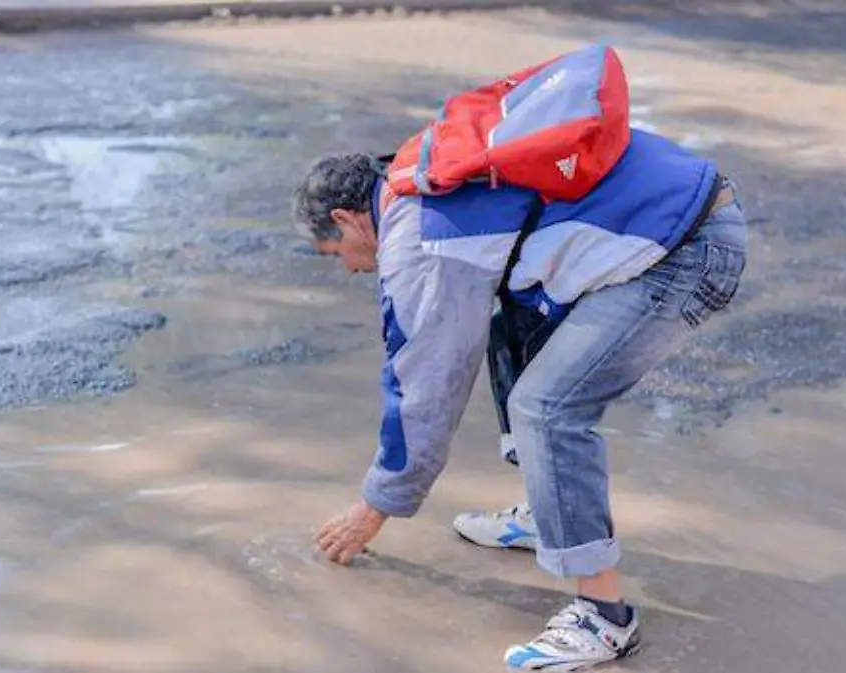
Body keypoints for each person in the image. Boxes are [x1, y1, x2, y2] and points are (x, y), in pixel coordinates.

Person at [293, 127, 748, 671]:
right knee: (500, 320)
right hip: (680, 214)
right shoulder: (418, 172)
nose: (348, 267)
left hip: (683, 248)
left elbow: (424, 384)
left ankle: (604, 619)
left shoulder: (420, 238)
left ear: (346, 218)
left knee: (547, 410)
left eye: (335, 252)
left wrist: (377, 506)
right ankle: (546, 512)